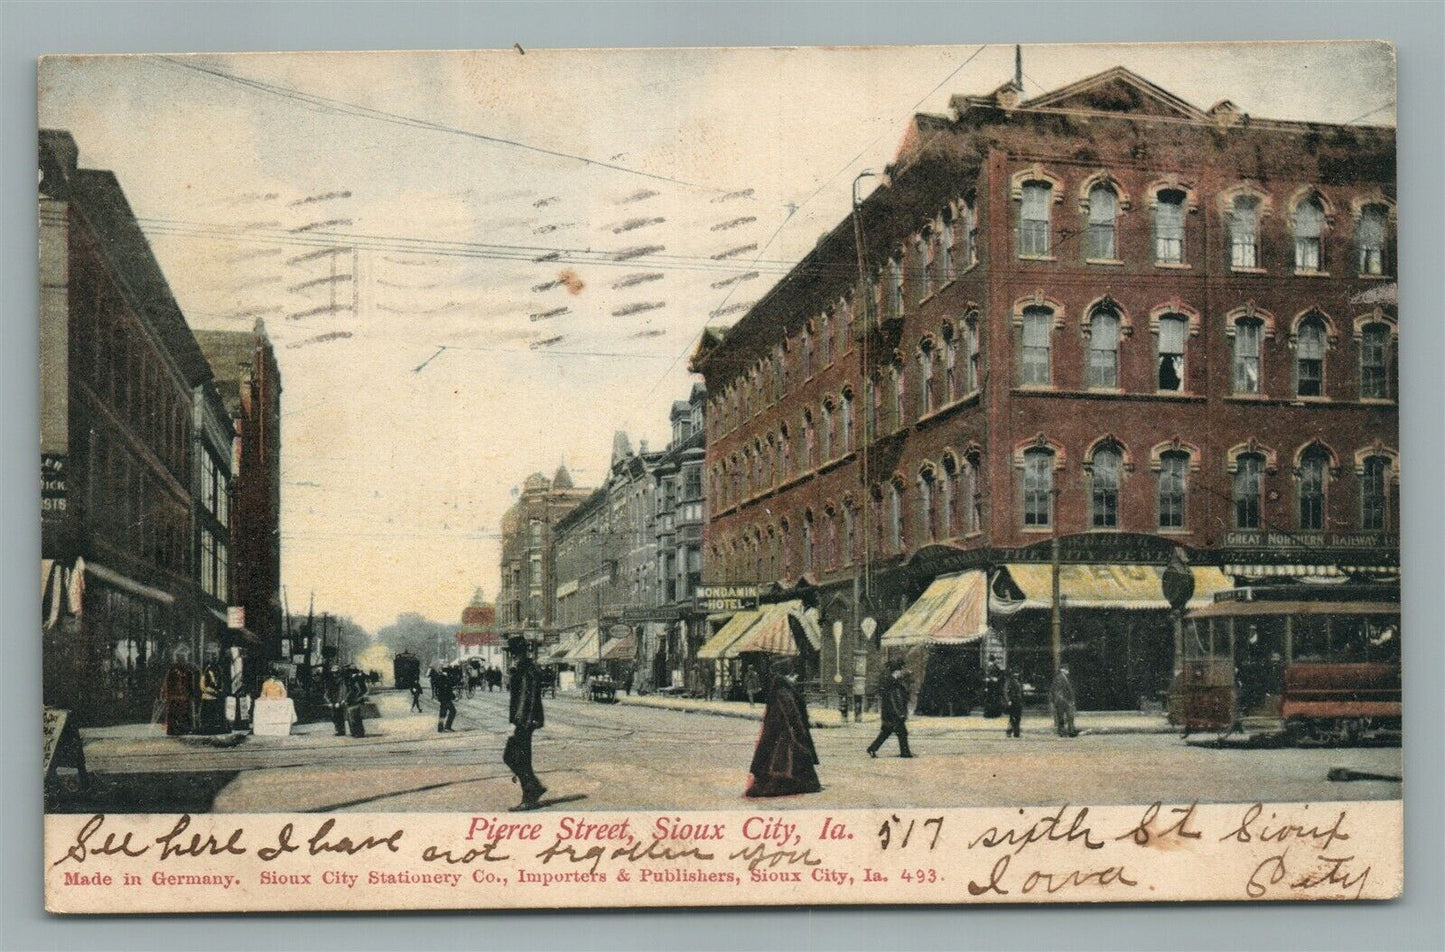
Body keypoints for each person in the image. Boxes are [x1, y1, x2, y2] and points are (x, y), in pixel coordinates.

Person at [746, 659, 820, 798]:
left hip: (779, 734)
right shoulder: (784, 691)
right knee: (787, 763)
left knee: (780, 763)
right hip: (786, 735)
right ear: (786, 675)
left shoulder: (778, 689)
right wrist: (800, 731)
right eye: (792, 674)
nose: (795, 678)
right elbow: (791, 714)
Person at [504, 638, 547, 809]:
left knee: (512, 756)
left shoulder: (525, 670)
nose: (511, 657)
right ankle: (532, 790)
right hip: (526, 720)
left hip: (524, 720)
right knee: (521, 757)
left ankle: (531, 792)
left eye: (512, 654)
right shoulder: (525, 668)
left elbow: (525, 698)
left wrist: (516, 722)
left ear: (515, 653)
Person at [867, 662, 914, 758]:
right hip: (893, 713)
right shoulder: (891, 682)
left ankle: (872, 748)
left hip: (890, 713)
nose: (901, 672)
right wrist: (900, 713)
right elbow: (894, 700)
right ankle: (905, 753)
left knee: (886, 732)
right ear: (896, 671)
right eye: (900, 670)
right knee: (902, 732)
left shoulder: (893, 681)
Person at [160, 656, 195, 736]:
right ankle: (173, 730)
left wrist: (190, 694)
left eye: (183, 661)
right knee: (174, 714)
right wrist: (166, 695)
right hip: (174, 697)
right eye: (180, 661)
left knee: (183, 714)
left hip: (183, 697)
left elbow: (190, 685)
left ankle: (184, 729)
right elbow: (167, 684)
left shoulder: (188, 672)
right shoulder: (172, 672)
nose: (181, 663)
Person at [198, 655, 227, 735]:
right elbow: (202, 686)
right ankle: (207, 728)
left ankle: (215, 727)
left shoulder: (219, 670)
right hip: (208, 696)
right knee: (207, 713)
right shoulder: (206, 671)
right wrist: (210, 691)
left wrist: (219, 690)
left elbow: (220, 683)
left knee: (215, 714)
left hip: (215, 696)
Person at [1050, 664, 1077, 738]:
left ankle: (1070, 731)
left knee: (1069, 716)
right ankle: (1063, 732)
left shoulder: (1066, 678)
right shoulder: (1059, 678)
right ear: (1062, 669)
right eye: (1066, 669)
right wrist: (1064, 700)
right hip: (1061, 701)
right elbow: (1057, 691)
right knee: (1062, 717)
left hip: (1066, 701)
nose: (1068, 671)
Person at [344, 666, 370, 738]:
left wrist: (357, 698)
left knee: (354, 717)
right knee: (352, 717)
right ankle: (356, 732)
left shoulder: (355, 679)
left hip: (354, 700)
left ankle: (358, 732)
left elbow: (357, 690)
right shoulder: (354, 678)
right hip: (354, 700)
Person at [322, 662, 348, 736]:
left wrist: (340, 701)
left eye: (336, 673)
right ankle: (338, 729)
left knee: (339, 715)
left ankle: (341, 730)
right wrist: (328, 702)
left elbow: (342, 691)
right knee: (333, 716)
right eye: (333, 673)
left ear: (339, 673)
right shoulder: (330, 681)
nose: (335, 674)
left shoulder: (342, 681)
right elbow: (327, 692)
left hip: (338, 700)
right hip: (332, 700)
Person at [1003, 667, 1025, 738]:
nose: (1016, 674)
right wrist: (1008, 700)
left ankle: (1013, 732)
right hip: (1013, 701)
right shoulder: (1010, 681)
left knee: (1016, 717)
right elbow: (1006, 692)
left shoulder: (1018, 681)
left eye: (1017, 673)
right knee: (1013, 717)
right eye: (1015, 673)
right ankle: (1014, 732)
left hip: (1018, 701)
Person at [436, 664, 458, 733]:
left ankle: (441, 728)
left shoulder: (442, 677)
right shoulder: (444, 678)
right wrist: (453, 697)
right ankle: (447, 727)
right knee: (452, 711)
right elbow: (447, 689)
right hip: (445, 698)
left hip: (443, 698)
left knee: (443, 713)